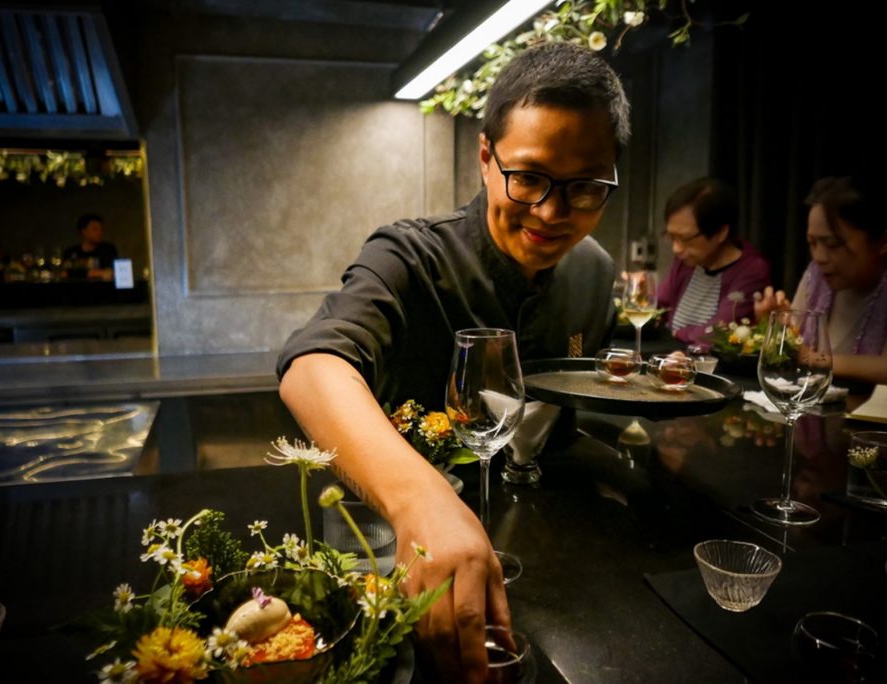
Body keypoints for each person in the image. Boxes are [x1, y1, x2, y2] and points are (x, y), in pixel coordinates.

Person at [277, 41, 629, 681]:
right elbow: (314, 362)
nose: (552, 213)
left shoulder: (594, 272)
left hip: (549, 575)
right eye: (528, 178)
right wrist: (423, 501)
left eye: (585, 189)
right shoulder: (409, 255)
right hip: (404, 568)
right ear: (486, 158)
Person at [754, 175, 887, 387]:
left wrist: (810, 358)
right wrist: (775, 328)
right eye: (812, 243)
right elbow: (792, 352)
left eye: (833, 244)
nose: (819, 257)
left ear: (885, 241)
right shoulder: (818, 273)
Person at [657, 178, 771, 345]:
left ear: (721, 232)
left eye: (685, 238)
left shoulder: (752, 270)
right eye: (672, 237)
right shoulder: (688, 258)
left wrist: (677, 333)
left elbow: (715, 334)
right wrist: (644, 297)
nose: (676, 248)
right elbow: (660, 308)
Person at [63, 213, 118, 280]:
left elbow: (113, 273)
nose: (100, 232)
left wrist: (78, 273)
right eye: (95, 229)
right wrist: (94, 273)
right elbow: (65, 274)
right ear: (84, 231)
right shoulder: (70, 252)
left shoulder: (108, 249)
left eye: (101, 229)